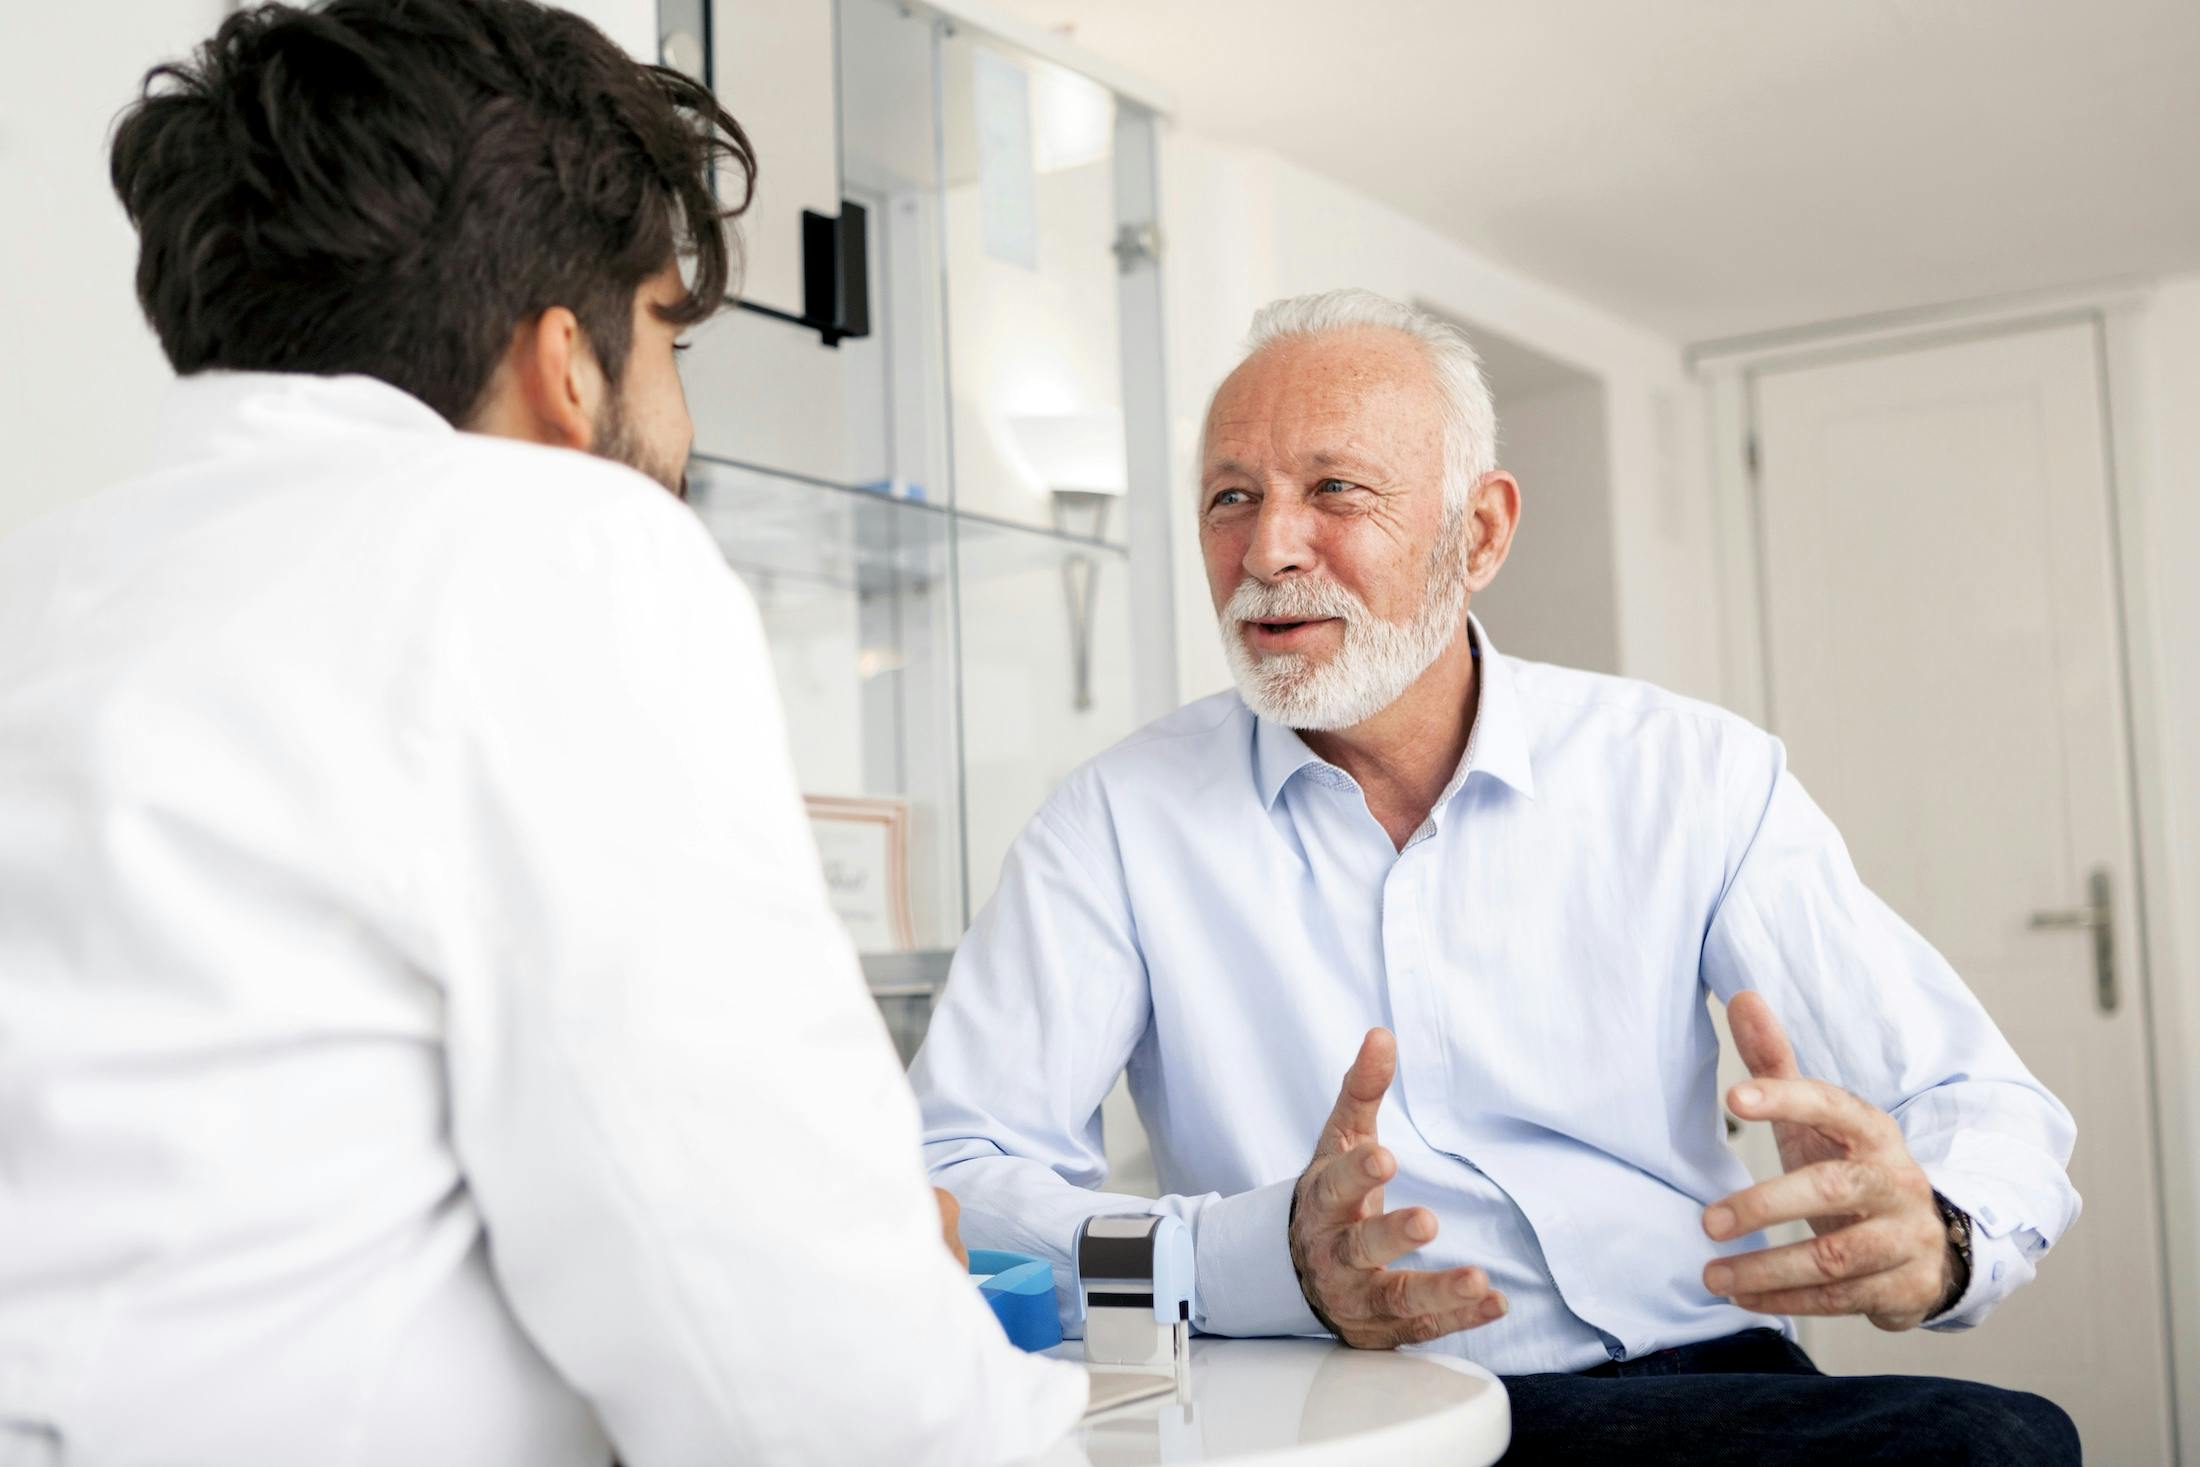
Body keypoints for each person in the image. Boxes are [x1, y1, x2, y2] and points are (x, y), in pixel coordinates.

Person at [0, 3, 1085, 1463]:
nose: (680, 423)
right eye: (669, 341)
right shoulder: (548, 546)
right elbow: (814, 1377)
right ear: (567, 367)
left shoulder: (46, 584)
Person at [911, 288, 2082, 1463]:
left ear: (1477, 533)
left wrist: (1939, 1237)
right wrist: (1251, 1262)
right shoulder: (1113, 822)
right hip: (1331, 1404)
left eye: (1335, 490)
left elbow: (1972, 1098)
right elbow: (954, 1178)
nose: (1266, 551)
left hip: (1695, 1388)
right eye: (1231, 498)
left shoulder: (1689, 775)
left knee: (1993, 1444)